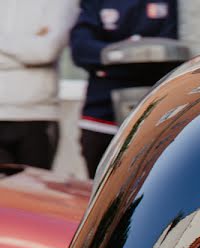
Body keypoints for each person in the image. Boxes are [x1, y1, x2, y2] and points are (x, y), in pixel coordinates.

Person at [69, 0, 179, 177]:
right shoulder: (95, 3)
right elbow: (81, 49)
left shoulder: (173, 4)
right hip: (100, 119)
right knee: (100, 194)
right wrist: (135, 53)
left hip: (155, 117)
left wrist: (108, 62)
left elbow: (172, 53)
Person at [0, 0, 79, 168]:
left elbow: (45, 51)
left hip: (38, 115)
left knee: (32, 192)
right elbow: (36, 51)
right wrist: (28, 46)